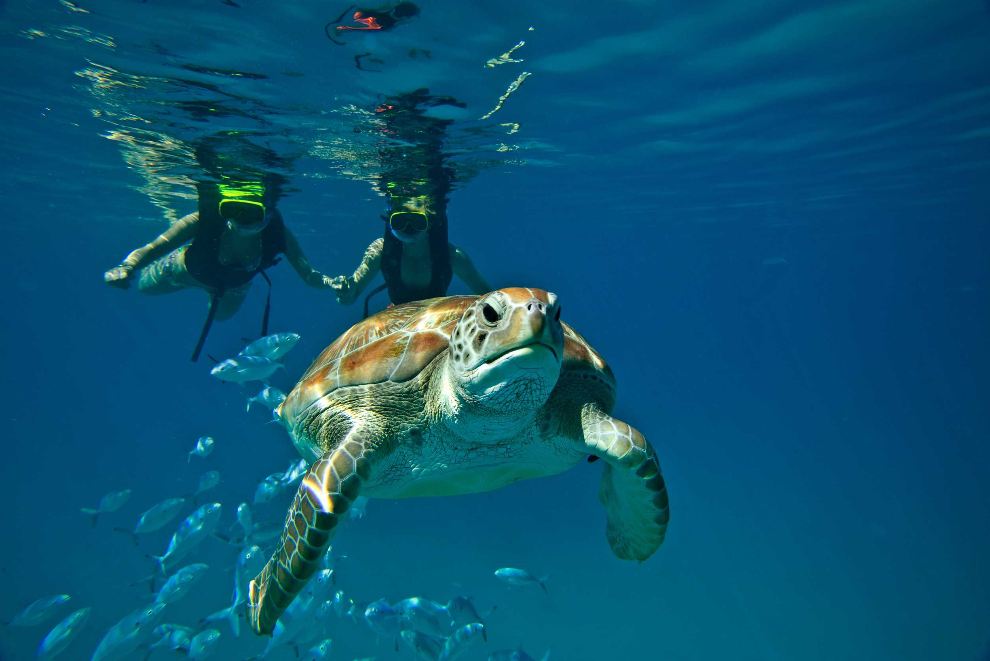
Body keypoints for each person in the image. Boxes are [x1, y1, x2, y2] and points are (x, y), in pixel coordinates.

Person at [104, 178, 336, 360]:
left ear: (267, 210)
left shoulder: (278, 234)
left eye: (251, 211)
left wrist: (332, 283)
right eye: (232, 209)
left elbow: (309, 275)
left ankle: (206, 290)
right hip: (182, 271)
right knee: (144, 288)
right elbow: (156, 247)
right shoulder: (204, 221)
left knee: (222, 317)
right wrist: (127, 266)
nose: (241, 218)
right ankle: (183, 263)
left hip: (231, 288)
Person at [329, 90, 491, 315]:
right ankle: (428, 119)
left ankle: (402, 116)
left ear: (430, 221)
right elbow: (349, 298)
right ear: (390, 221)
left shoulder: (452, 257)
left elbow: (491, 300)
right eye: (400, 222)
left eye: (416, 221)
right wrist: (345, 290)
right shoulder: (380, 252)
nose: (408, 230)